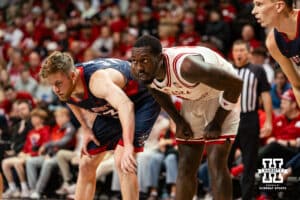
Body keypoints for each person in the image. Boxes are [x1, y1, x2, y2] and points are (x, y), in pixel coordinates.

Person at [131, 35, 243, 200]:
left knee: (215, 162)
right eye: (134, 60)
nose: (139, 67)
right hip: (192, 99)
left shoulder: (188, 67)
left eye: (145, 61)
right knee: (185, 165)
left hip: (222, 95)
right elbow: (155, 89)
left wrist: (217, 122)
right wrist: (178, 120)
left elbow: (236, 84)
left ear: (160, 58)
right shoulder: (140, 71)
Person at [40, 51, 160, 200]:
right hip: (114, 104)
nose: (55, 89)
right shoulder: (66, 83)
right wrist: (86, 128)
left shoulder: (96, 81)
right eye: (52, 85)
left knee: (122, 160)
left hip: (142, 100)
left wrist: (129, 145)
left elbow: (126, 106)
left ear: (72, 76)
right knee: (86, 163)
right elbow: (70, 100)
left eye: (58, 83)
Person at [228, 40, 273, 200]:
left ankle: (247, 197)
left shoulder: (257, 70)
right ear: (232, 53)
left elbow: (266, 95)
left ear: (249, 52)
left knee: (249, 162)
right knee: (224, 161)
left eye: (241, 50)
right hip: (229, 120)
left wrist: (268, 120)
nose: (238, 53)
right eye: (236, 50)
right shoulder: (227, 70)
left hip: (250, 119)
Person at [252, 0, 300, 105]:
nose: (253, 11)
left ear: (279, 6)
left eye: (259, 4)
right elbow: (297, 85)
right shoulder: (273, 42)